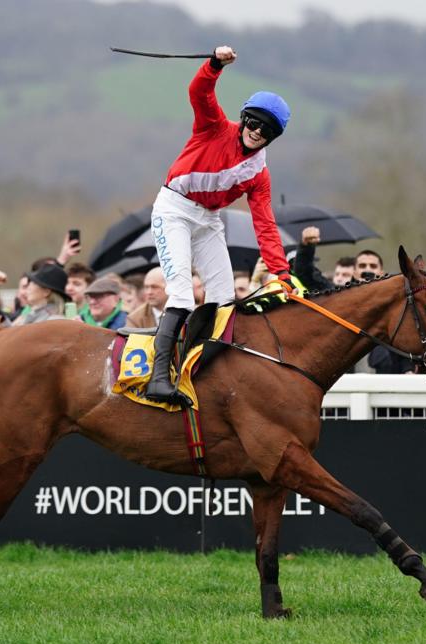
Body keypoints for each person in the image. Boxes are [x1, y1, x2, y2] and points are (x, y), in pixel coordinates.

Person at [142, 44, 294, 405]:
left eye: (267, 130)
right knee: (180, 293)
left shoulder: (259, 174)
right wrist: (214, 65)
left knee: (224, 299)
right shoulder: (213, 127)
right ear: (243, 118)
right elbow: (199, 92)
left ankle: (200, 369)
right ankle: (158, 378)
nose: (257, 132)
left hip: (207, 220)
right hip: (174, 209)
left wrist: (282, 275)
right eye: (254, 122)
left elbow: (266, 226)